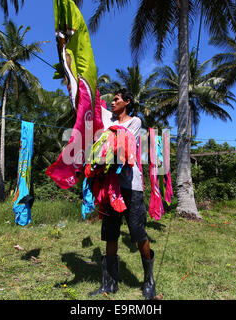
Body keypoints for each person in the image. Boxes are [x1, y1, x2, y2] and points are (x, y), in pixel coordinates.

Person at [89, 88, 156, 300]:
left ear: (126, 102)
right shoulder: (107, 118)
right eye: (111, 100)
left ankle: (149, 281)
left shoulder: (134, 122)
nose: (112, 102)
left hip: (131, 187)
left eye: (116, 99)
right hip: (111, 187)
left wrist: (103, 136)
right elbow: (88, 102)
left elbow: (121, 139)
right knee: (110, 234)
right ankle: (109, 283)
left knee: (137, 233)